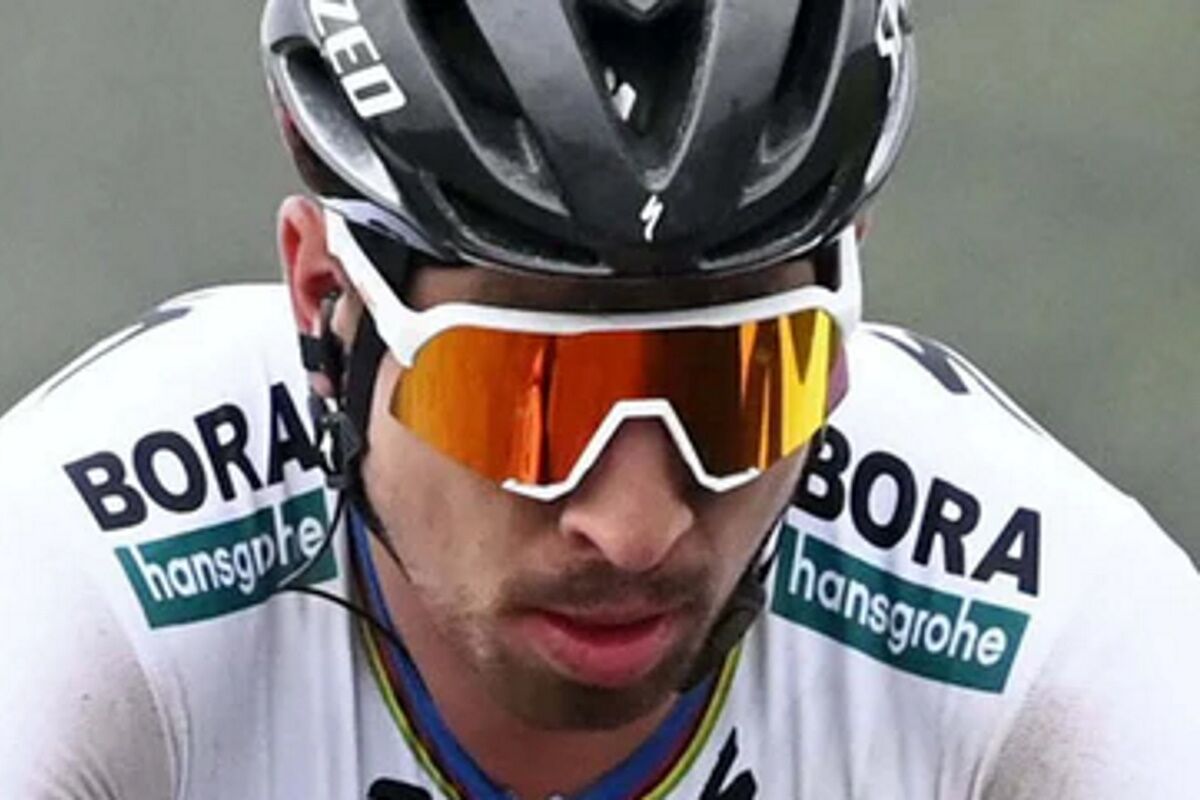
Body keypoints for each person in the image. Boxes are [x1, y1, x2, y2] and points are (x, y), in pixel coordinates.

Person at [1, 0, 1197, 797]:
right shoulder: (74, 576)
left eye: (739, 386)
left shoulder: (1049, 616)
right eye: (526, 393)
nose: (636, 526)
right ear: (325, 304)